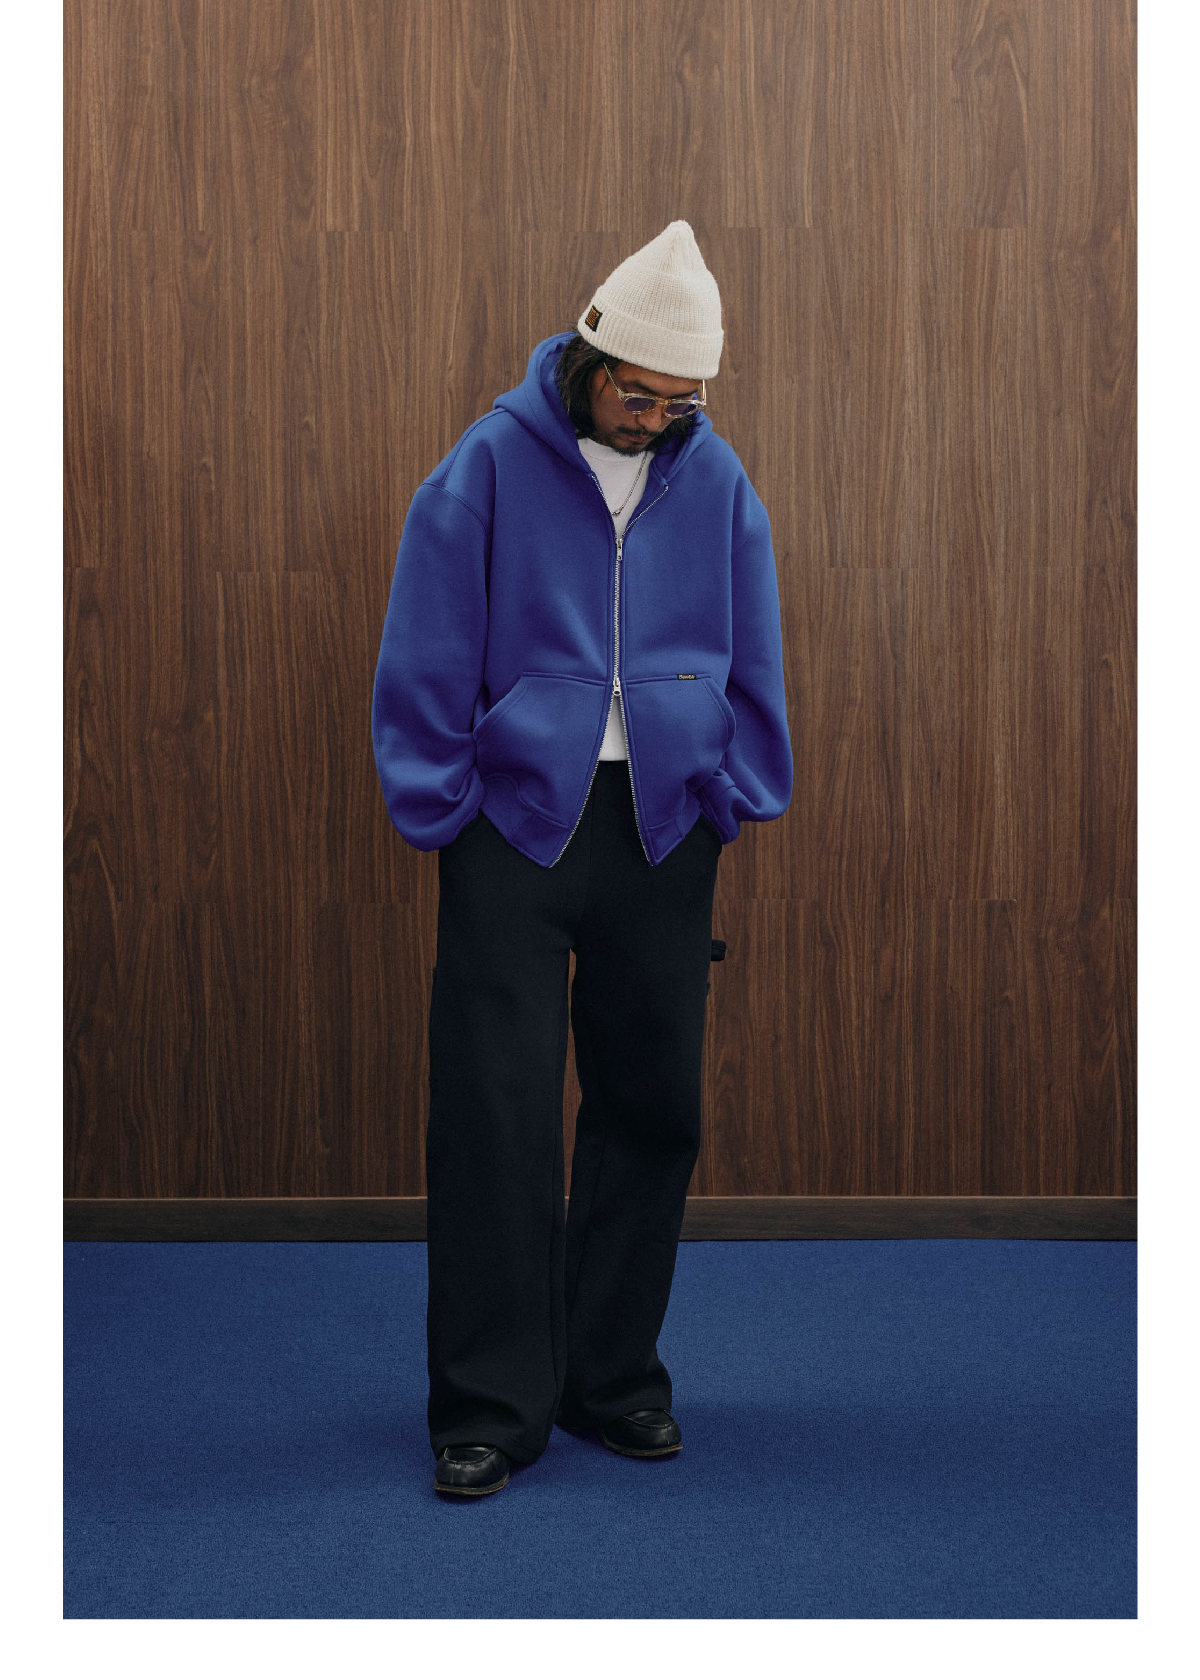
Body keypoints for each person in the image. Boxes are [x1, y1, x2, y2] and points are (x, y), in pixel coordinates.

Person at [372, 221, 792, 1497]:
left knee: (652, 1107)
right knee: (495, 1116)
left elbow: (754, 641)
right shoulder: (490, 464)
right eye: (637, 395)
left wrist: (731, 787)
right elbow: (426, 639)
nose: (654, 421)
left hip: (661, 828)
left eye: (680, 404)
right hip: (513, 829)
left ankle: (612, 1380)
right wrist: (445, 802)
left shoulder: (713, 480)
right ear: (590, 357)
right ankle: (490, 1407)